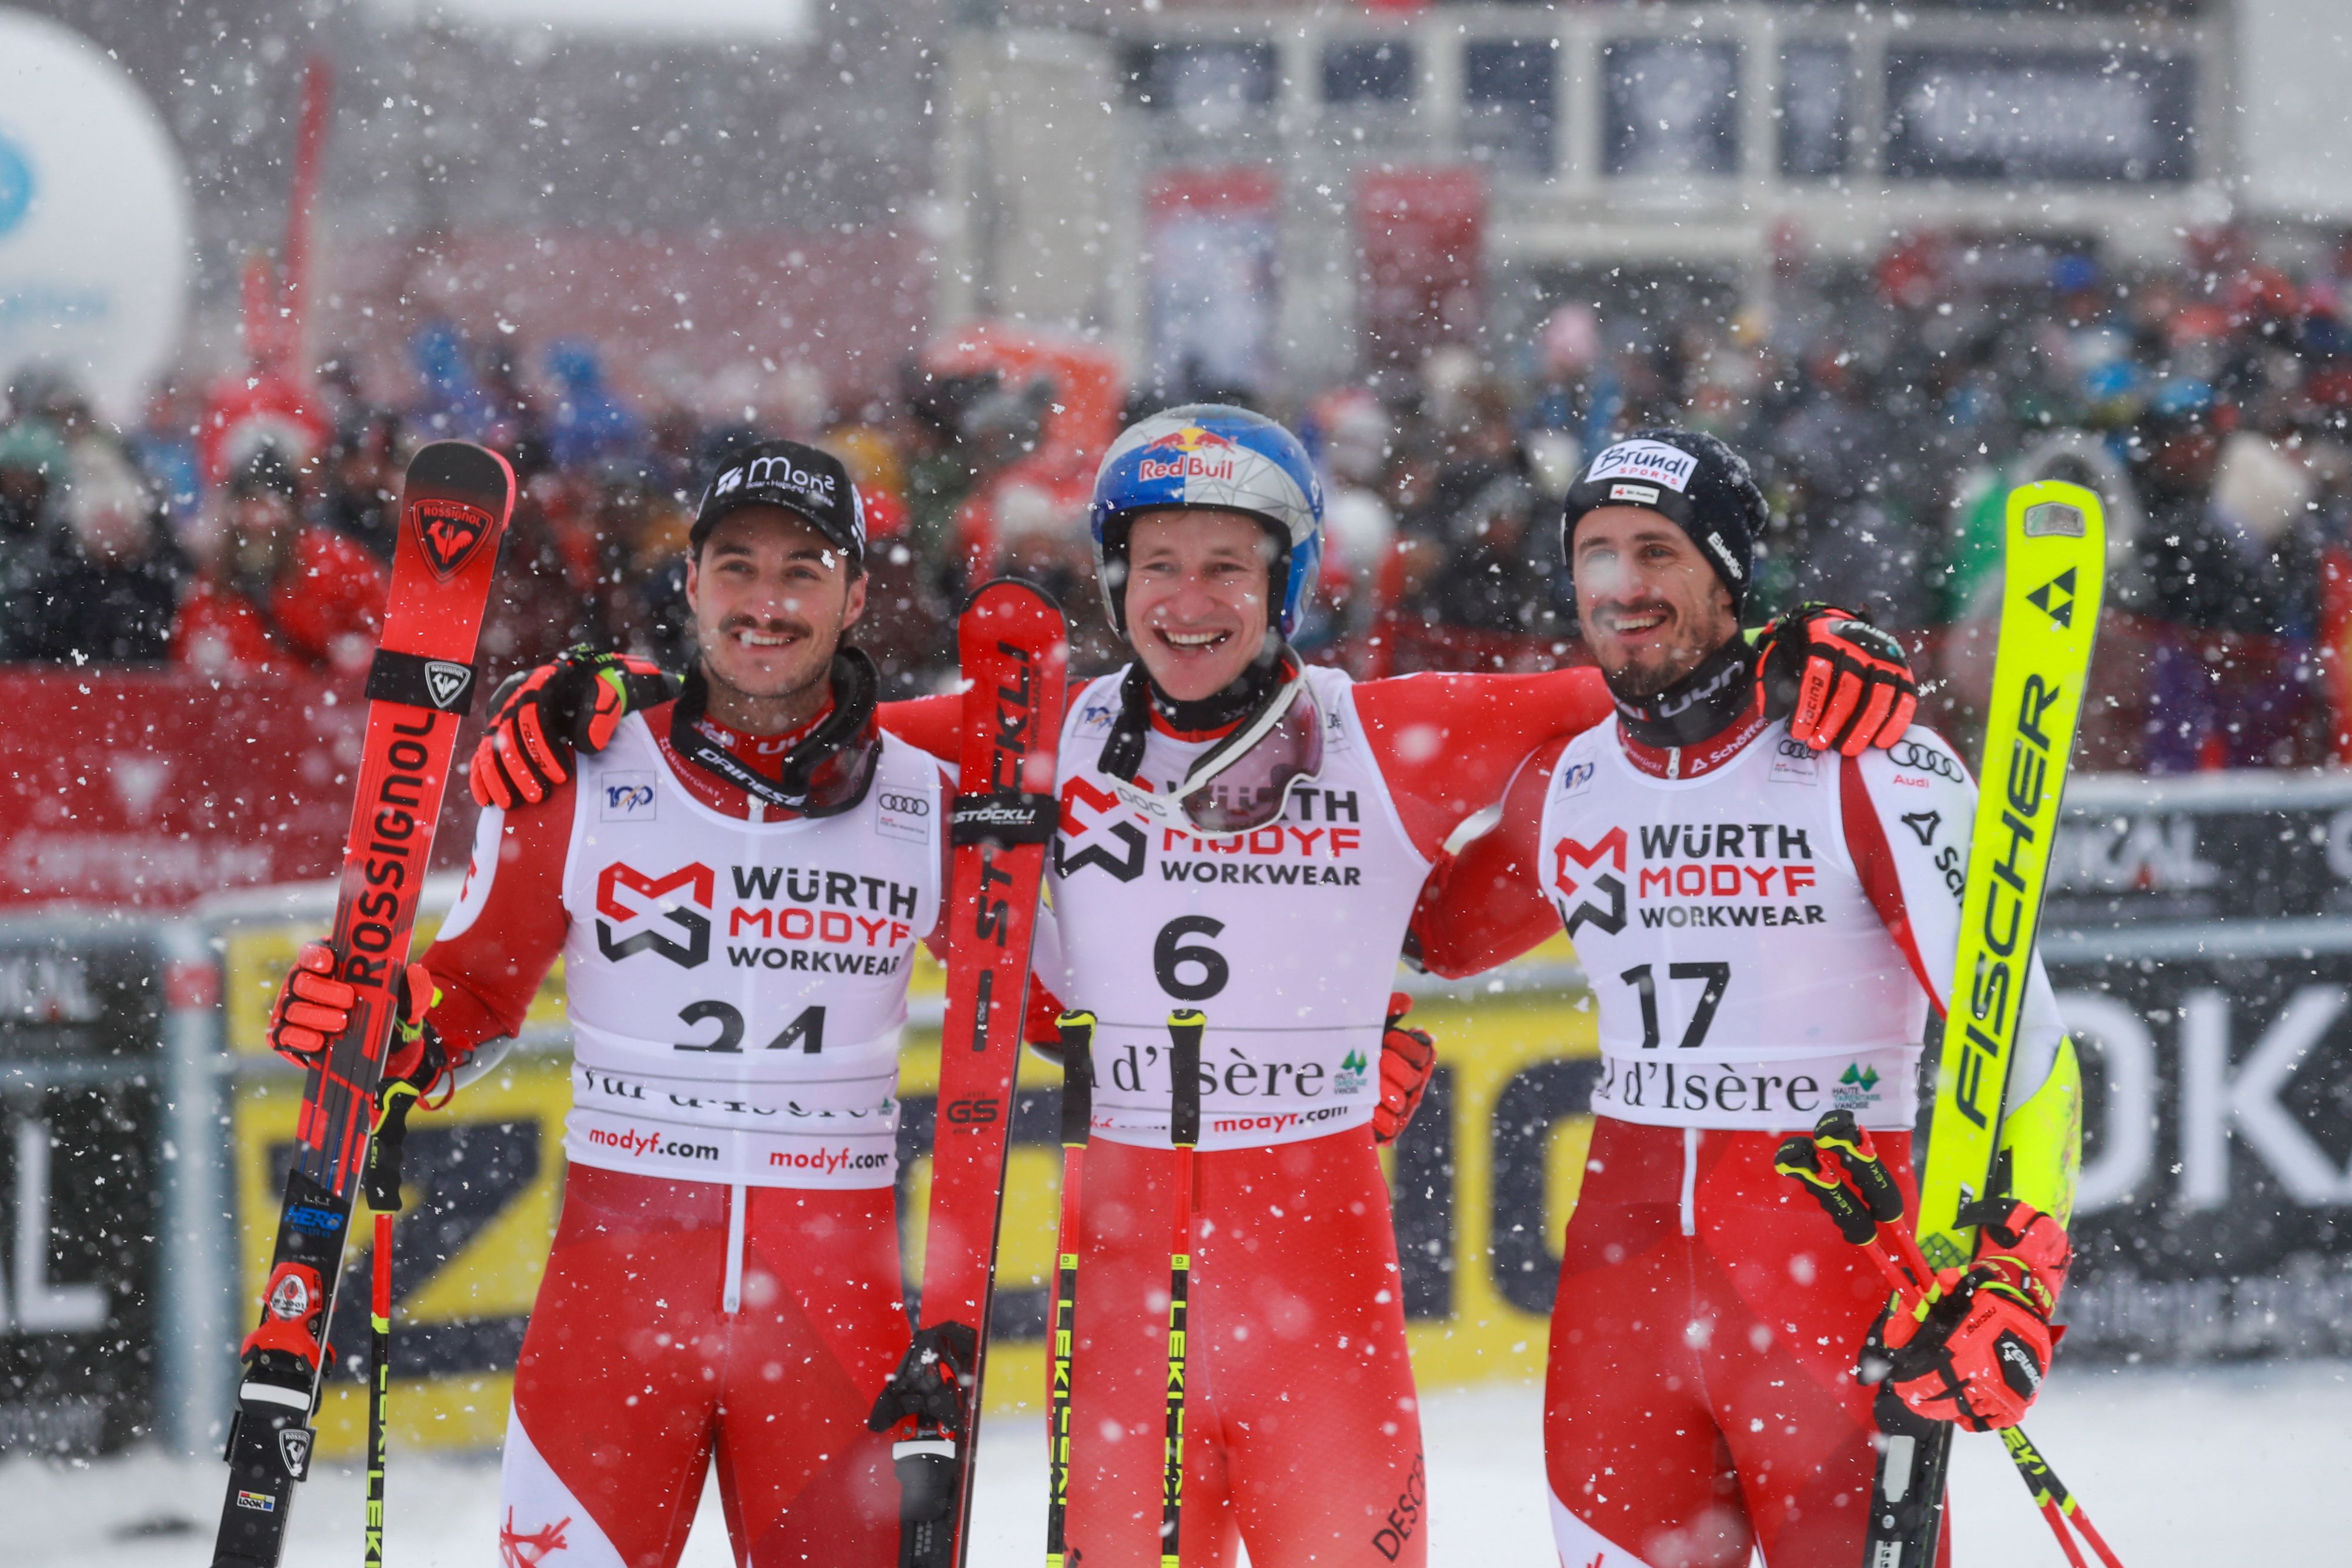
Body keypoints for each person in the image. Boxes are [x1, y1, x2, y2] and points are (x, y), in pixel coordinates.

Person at [476, 407, 1925, 1568]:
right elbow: (765, 721)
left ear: (1287, 582)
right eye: (1157, 563)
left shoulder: (1391, 735)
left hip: (1324, 1316)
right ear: (1112, 579)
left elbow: (1638, 671)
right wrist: (590, 694)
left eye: (1229, 566)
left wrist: (1800, 643)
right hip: (1118, 1306)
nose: (1189, 601)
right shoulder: (1010, 742)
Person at [264, 440, 954, 1568]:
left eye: (803, 569)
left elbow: (1055, 1002)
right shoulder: (576, 771)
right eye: (736, 567)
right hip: (615, 1317)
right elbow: (471, 992)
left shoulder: (924, 798)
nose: (766, 603)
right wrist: (381, 1027)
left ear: (858, 593)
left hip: (833, 1327)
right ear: (689, 583)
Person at [1418, 429, 2082, 1567]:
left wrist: (2019, 1265)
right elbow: (1423, 932)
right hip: (1615, 1305)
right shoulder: (1570, 777)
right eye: (1594, 554)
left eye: (1656, 552)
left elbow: (2021, 1039)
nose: (1620, 585)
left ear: (1726, 575)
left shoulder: (1867, 760)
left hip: (1826, 1276)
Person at [171, 446, 387, 677]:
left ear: (293, 512)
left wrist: (363, 657)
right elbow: (187, 645)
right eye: (247, 505)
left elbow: (392, 627)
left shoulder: (335, 563)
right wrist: (202, 661)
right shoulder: (214, 580)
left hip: (324, 707)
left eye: (266, 506)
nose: (256, 520)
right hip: (251, 708)